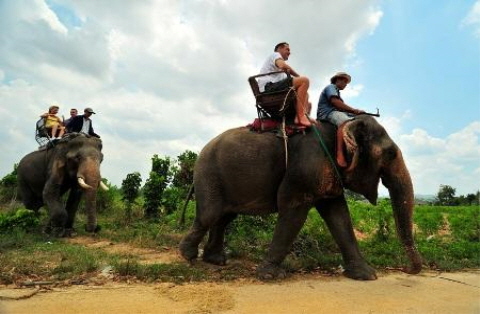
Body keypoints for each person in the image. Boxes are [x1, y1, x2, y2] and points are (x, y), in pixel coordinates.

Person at [257, 42, 313, 127]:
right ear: (279, 49)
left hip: (274, 87)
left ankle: (304, 116)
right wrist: (299, 77)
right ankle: (300, 116)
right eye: (287, 49)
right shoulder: (275, 55)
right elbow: (283, 66)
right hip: (268, 87)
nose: (289, 52)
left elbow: (290, 80)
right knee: (305, 81)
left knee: (306, 94)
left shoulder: (281, 74)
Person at [316, 72, 365, 167]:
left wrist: (355, 113)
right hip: (327, 113)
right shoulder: (331, 87)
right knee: (345, 122)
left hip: (335, 112)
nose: (346, 84)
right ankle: (340, 153)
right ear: (338, 80)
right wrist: (354, 110)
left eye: (347, 82)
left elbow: (341, 109)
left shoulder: (337, 92)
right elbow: (335, 102)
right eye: (344, 81)